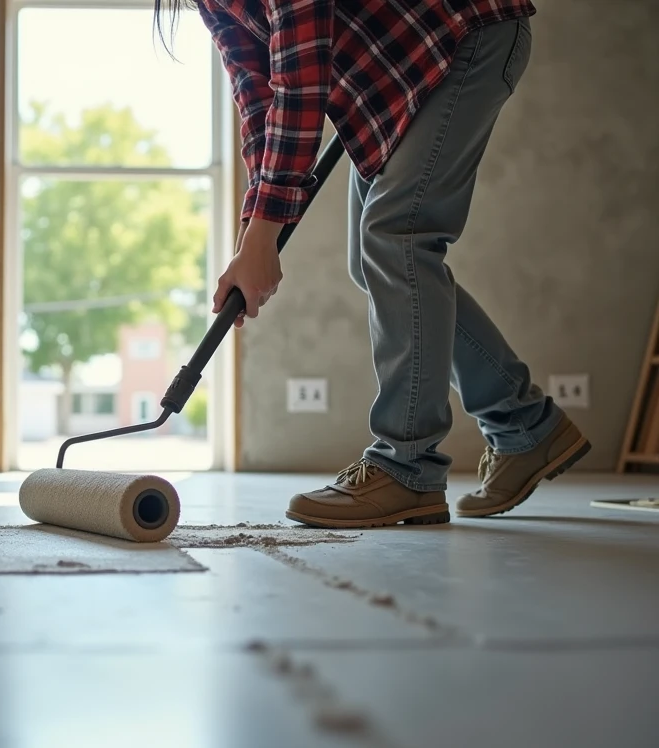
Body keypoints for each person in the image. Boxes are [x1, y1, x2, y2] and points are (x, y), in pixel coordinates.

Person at [157, 0, 590, 528]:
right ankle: (525, 426)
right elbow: (258, 96)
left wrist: (266, 232)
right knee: (377, 262)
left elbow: (299, 78)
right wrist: (255, 236)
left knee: (397, 238)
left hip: (461, 35)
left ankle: (405, 465)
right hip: (390, 77)